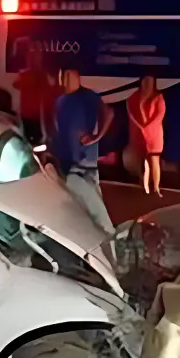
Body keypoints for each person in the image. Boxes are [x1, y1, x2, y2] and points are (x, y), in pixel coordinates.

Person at [52, 69, 116, 237]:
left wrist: (97, 136)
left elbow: (108, 113)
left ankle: (111, 241)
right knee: (85, 209)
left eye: (68, 77)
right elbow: (58, 127)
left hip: (84, 165)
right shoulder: (60, 100)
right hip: (69, 164)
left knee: (96, 212)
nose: (64, 81)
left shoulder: (88, 96)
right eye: (63, 77)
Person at [126, 75, 166, 196]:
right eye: (145, 81)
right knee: (143, 160)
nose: (147, 85)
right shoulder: (135, 97)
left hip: (154, 135)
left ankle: (156, 187)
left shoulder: (158, 97)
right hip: (140, 135)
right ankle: (144, 184)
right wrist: (139, 126)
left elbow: (160, 114)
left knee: (154, 161)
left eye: (150, 82)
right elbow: (130, 110)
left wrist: (147, 127)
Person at [15, 47, 58, 144]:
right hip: (27, 116)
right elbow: (16, 85)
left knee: (38, 140)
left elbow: (49, 93)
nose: (33, 59)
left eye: (36, 56)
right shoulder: (24, 74)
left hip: (40, 116)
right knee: (29, 140)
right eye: (31, 56)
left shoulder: (42, 75)